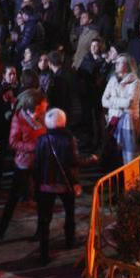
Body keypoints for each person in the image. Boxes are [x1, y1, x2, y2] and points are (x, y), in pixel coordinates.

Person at [32, 108, 96, 265]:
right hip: (65, 183)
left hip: (46, 184)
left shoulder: (41, 140)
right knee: (69, 213)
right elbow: (74, 161)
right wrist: (91, 160)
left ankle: (44, 254)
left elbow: (37, 164)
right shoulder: (68, 139)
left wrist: (37, 185)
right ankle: (69, 241)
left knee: (44, 219)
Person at [0, 89, 47, 240]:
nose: (44, 111)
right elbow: (13, 142)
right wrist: (33, 147)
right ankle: (2, 229)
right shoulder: (19, 119)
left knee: (41, 198)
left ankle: (40, 231)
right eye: (42, 108)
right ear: (33, 108)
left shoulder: (42, 118)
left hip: (40, 162)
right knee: (13, 197)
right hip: (23, 163)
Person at [101, 54, 140, 164]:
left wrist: (113, 100)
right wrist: (119, 101)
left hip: (129, 122)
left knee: (129, 152)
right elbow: (104, 101)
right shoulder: (112, 80)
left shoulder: (135, 81)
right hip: (113, 120)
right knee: (114, 153)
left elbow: (129, 103)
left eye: (120, 62)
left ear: (127, 65)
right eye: (116, 62)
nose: (116, 64)